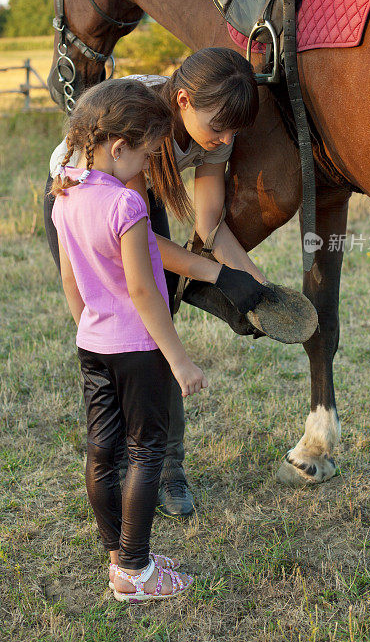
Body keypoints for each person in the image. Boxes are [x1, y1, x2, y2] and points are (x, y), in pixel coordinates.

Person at [44, 47, 271, 517]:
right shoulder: (138, 128)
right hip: (81, 199)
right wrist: (215, 273)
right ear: (183, 101)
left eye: (234, 131)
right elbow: (140, 244)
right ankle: (130, 458)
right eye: (219, 128)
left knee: (155, 331)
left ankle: (168, 466)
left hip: (132, 204)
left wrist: (256, 287)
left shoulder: (215, 128)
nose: (225, 139)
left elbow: (208, 224)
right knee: (129, 334)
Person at [50, 78, 216, 601]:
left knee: (103, 451)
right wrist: (180, 360)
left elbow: (70, 280)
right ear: (118, 148)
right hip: (138, 350)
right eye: (145, 155)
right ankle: (138, 573)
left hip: (93, 344)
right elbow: (146, 292)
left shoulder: (65, 197)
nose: (147, 167)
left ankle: (119, 558)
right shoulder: (127, 205)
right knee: (146, 454)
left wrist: (89, 326)